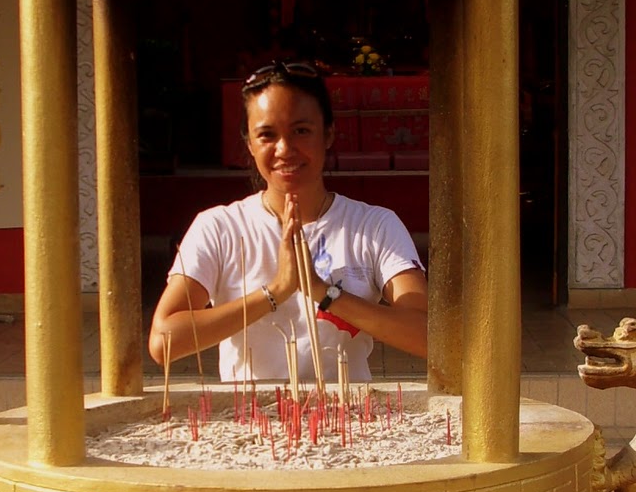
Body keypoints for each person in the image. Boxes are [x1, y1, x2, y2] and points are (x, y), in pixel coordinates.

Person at [148, 61, 427, 383]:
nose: (284, 149)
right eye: (267, 135)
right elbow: (163, 343)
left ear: (329, 134)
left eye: (301, 131)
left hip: (347, 419)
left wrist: (323, 291)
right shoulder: (218, 227)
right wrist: (276, 291)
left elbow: (427, 337)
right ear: (249, 144)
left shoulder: (375, 226)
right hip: (251, 421)